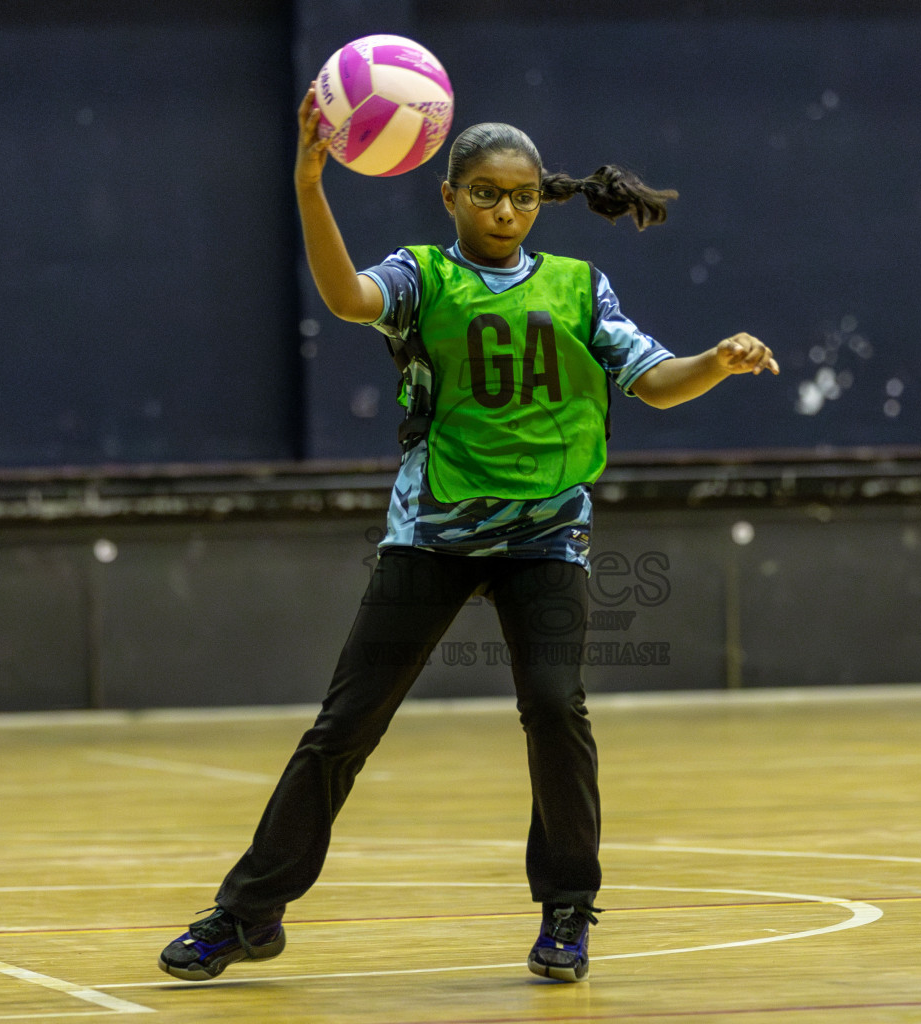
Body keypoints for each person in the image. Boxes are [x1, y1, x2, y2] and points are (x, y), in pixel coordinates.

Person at [158, 84, 778, 986]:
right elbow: (343, 297)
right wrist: (308, 183)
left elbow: (652, 379)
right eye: (485, 192)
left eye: (521, 195)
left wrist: (715, 365)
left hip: (546, 538)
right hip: (432, 538)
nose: (506, 209)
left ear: (540, 201)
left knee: (556, 711)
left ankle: (568, 912)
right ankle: (248, 914)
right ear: (448, 195)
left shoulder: (577, 285)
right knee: (345, 725)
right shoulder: (421, 277)